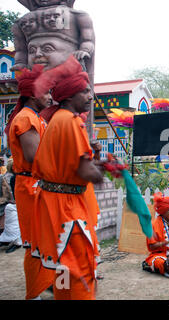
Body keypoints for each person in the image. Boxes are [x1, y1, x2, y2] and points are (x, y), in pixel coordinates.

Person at [31, 55, 105, 299]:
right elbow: (85, 172)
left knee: (63, 265)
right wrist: (103, 171)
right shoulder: (71, 122)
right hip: (67, 209)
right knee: (80, 266)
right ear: (70, 95)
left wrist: (95, 161)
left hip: (55, 205)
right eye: (84, 92)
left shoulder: (57, 120)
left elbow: (73, 164)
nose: (90, 96)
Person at [5, 64, 55, 300]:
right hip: (31, 187)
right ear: (34, 93)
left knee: (45, 241)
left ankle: (48, 284)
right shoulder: (26, 118)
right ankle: (33, 294)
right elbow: (35, 158)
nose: (50, 96)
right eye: (46, 92)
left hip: (37, 186)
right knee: (34, 244)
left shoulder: (35, 117)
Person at [0, 159, 22, 253]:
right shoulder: (11, 178)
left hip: (12, 203)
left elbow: (8, 193)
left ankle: (13, 239)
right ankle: (7, 238)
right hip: (12, 202)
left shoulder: (7, 177)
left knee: (10, 211)